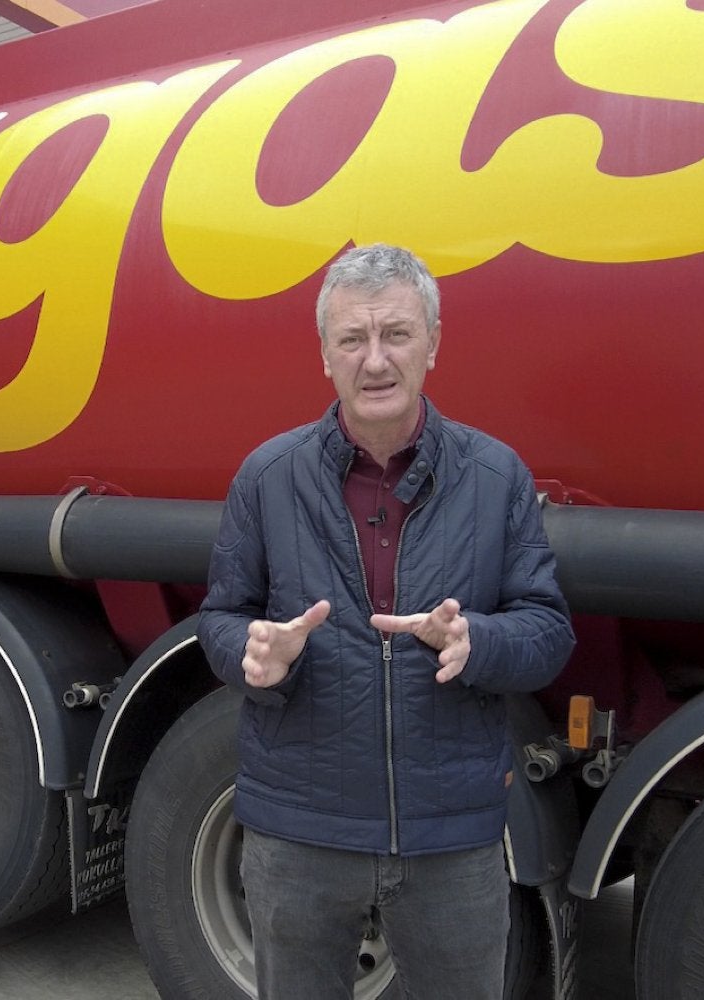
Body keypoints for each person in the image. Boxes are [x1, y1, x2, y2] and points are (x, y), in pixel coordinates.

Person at [197, 243, 576, 999]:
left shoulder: (496, 475)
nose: (375, 360)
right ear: (326, 356)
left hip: (450, 836)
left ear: (433, 345)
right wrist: (254, 650)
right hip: (299, 832)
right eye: (353, 339)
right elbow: (221, 619)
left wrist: (479, 642)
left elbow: (548, 630)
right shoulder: (268, 476)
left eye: (396, 334)